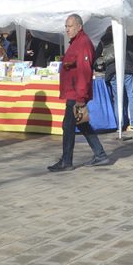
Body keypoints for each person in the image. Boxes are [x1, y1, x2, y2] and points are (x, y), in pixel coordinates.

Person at [48, 14, 108, 171]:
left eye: (70, 26)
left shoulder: (83, 44)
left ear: (79, 26)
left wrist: (81, 97)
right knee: (81, 124)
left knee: (68, 126)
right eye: (66, 26)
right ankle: (100, 154)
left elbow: (84, 72)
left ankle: (66, 161)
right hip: (72, 92)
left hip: (76, 94)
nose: (67, 29)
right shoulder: (75, 43)